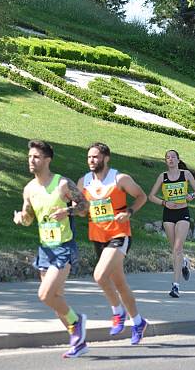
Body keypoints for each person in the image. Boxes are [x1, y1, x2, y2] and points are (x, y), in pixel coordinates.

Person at [13, 140, 89, 358]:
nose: (31, 160)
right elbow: (29, 218)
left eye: (36, 157)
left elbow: (85, 207)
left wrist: (68, 212)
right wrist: (21, 218)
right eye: (29, 157)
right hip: (45, 249)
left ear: (47, 160)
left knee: (45, 294)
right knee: (56, 299)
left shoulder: (62, 184)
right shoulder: (29, 189)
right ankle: (78, 342)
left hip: (64, 247)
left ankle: (77, 322)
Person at [78, 142, 148, 344]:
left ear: (106, 158)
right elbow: (83, 210)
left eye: (95, 157)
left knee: (99, 276)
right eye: (89, 157)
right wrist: (77, 207)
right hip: (98, 237)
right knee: (119, 282)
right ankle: (138, 322)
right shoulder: (84, 181)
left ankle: (117, 312)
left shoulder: (120, 178)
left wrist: (129, 212)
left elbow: (141, 196)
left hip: (119, 235)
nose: (91, 160)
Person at [148, 149, 195, 298]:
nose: (170, 159)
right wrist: (164, 203)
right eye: (167, 157)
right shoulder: (163, 177)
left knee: (177, 248)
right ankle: (184, 262)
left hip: (182, 213)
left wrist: (191, 195)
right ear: (166, 161)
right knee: (175, 249)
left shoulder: (186, 175)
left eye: (173, 157)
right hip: (168, 214)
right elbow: (151, 196)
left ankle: (175, 286)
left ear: (178, 160)